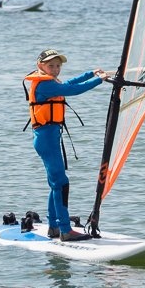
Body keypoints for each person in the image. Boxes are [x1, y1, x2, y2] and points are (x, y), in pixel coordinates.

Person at [24, 49, 109, 242]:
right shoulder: (45, 86)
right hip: (46, 139)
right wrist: (98, 80)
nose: (55, 70)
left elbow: (69, 84)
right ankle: (64, 230)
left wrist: (90, 74)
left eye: (58, 66)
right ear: (40, 66)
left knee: (56, 183)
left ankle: (54, 226)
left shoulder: (50, 82)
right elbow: (72, 90)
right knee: (61, 183)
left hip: (49, 138)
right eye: (50, 66)